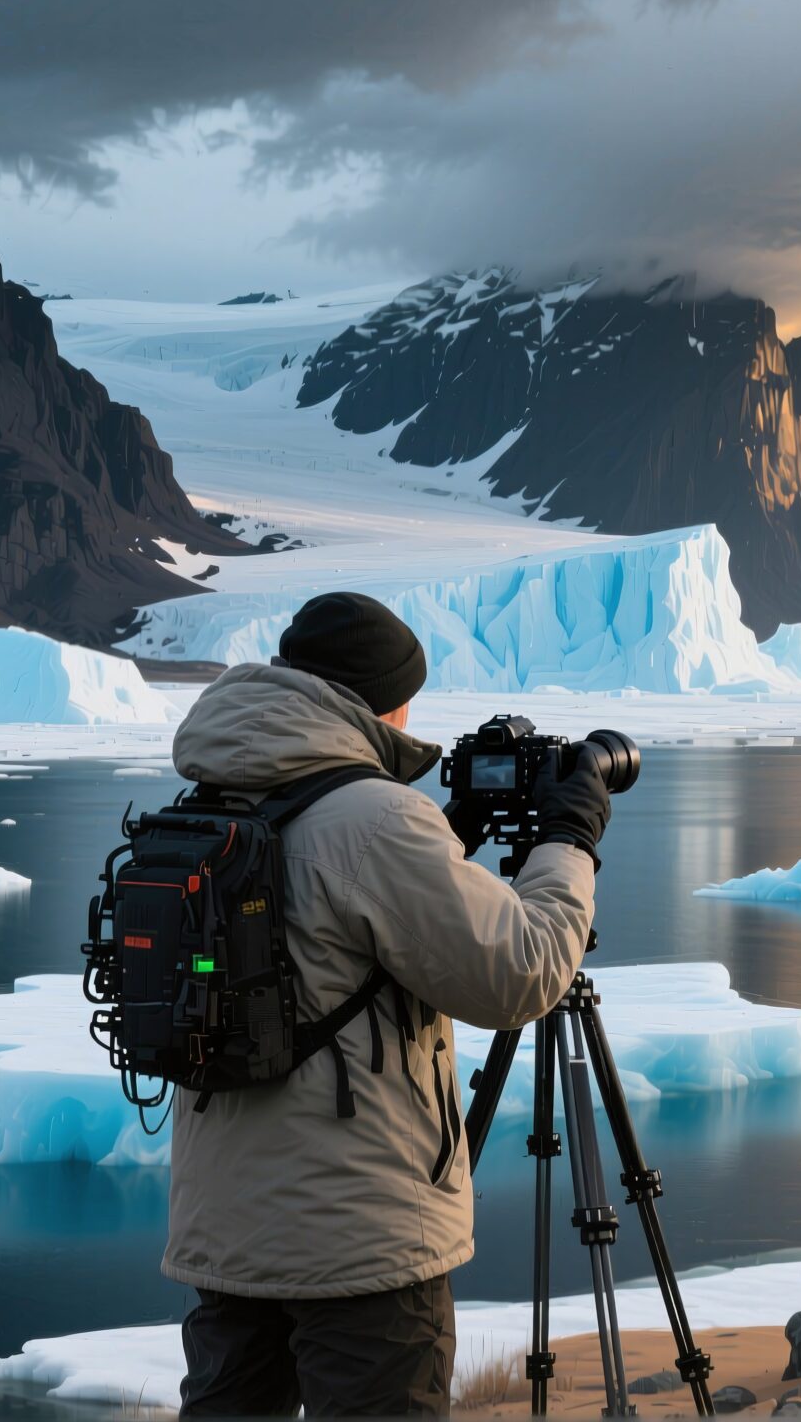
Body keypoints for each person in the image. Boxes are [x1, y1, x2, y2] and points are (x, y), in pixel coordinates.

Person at [164, 592, 608, 1417]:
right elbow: (523, 972)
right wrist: (570, 840)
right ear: (381, 701)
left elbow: (324, 911)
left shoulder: (214, 799)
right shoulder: (376, 820)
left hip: (226, 1232)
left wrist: (447, 840)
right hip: (359, 1243)